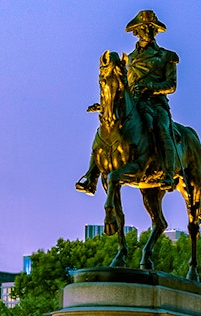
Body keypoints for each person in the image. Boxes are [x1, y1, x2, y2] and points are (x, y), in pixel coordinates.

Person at [77, 10, 180, 194]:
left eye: (151, 28)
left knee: (162, 129)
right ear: (136, 32)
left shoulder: (167, 56)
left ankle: (168, 173)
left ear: (156, 31)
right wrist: (104, 105)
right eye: (143, 28)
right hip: (133, 103)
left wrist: (151, 86)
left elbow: (171, 85)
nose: (147, 31)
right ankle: (91, 176)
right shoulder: (130, 59)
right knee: (104, 129)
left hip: (156, 104)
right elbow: (123, 88)